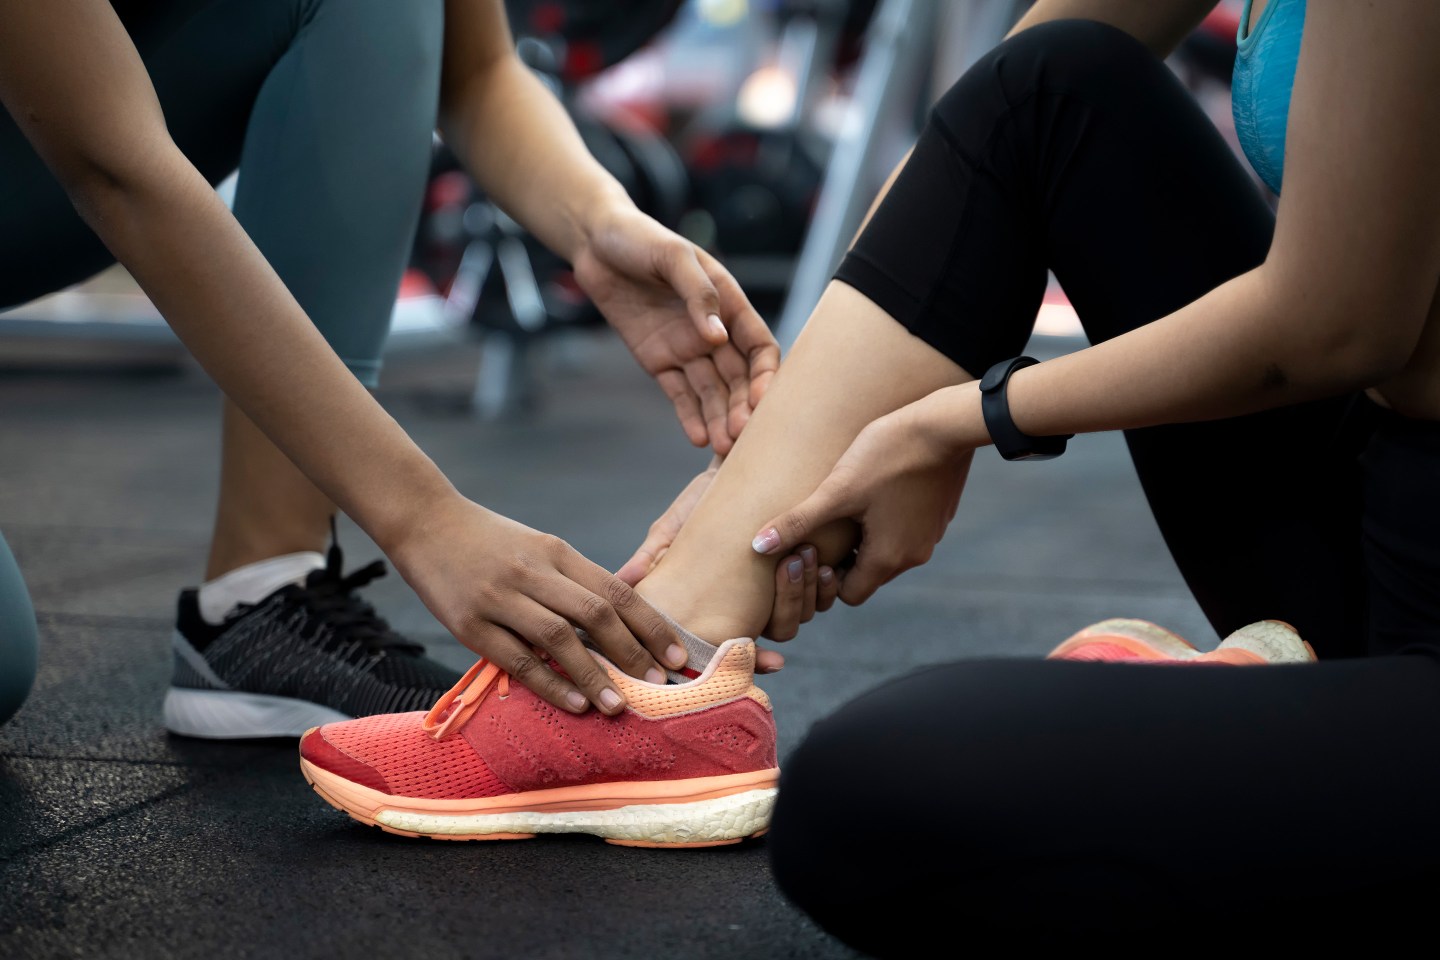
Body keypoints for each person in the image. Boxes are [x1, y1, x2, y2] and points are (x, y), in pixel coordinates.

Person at [292, 0, 1440, 948]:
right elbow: (989, 130)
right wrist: (788, 458)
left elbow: (1338, 322)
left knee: (873, 797)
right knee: (1055, 84)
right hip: (1372, 522)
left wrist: (965, 419)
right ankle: (667, 663)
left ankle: (1270, 718)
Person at [0, 0, 789, 733]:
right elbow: (110, 162)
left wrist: (597, 227)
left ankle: (263, 597)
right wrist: (422, 517)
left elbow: (477, 71)